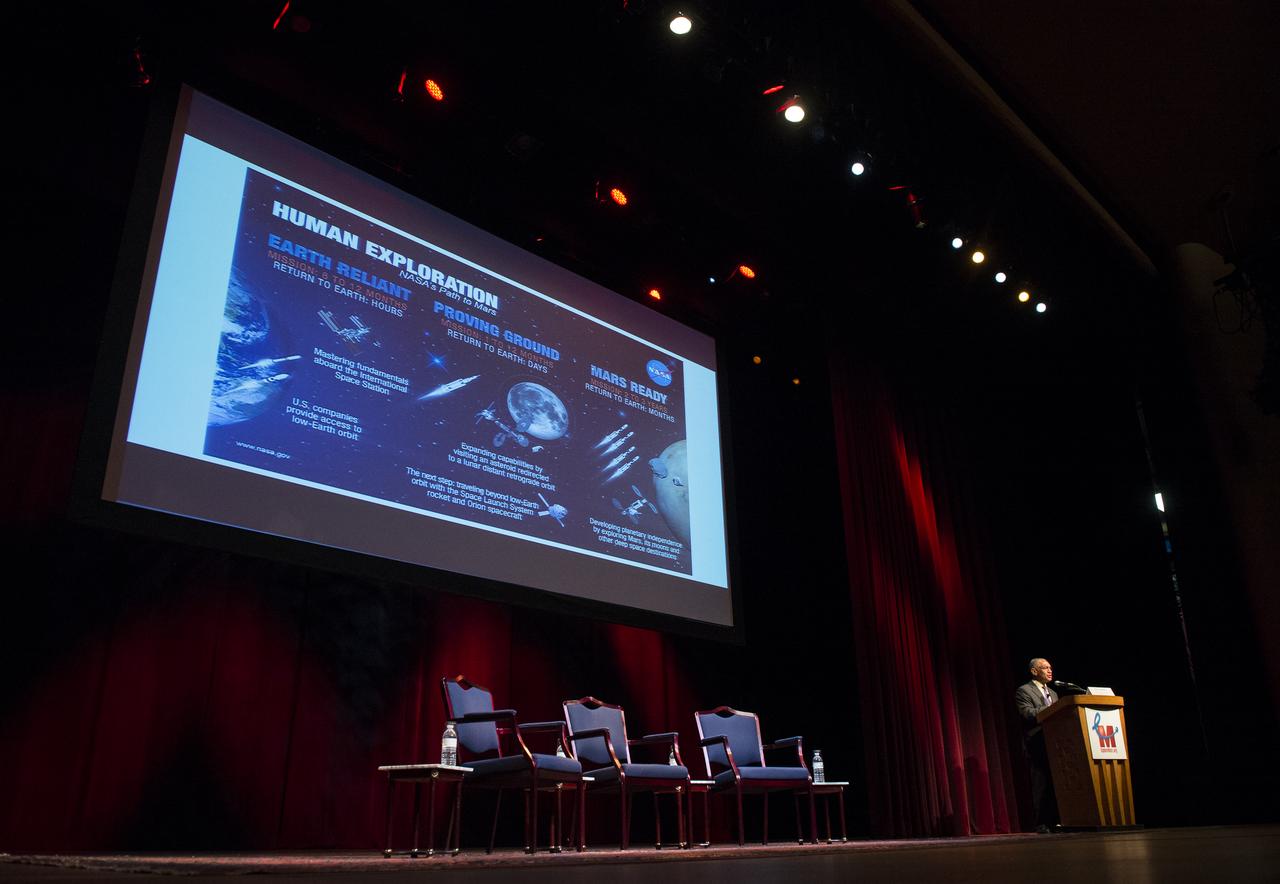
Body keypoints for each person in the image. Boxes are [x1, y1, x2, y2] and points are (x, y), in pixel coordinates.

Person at [1015, 657, 1059, 831]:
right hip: (1037, 745)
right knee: (1041, 785)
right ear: (1034, 671)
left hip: (1057, 745)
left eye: (1050, 667)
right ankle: (1040, 823)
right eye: (1045, 668)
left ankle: (1056, 820)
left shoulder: (1054, 694)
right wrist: (1053, 709)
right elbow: (1027, 713)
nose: (1049, 671)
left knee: (1057, 784)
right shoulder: (1024, 691)